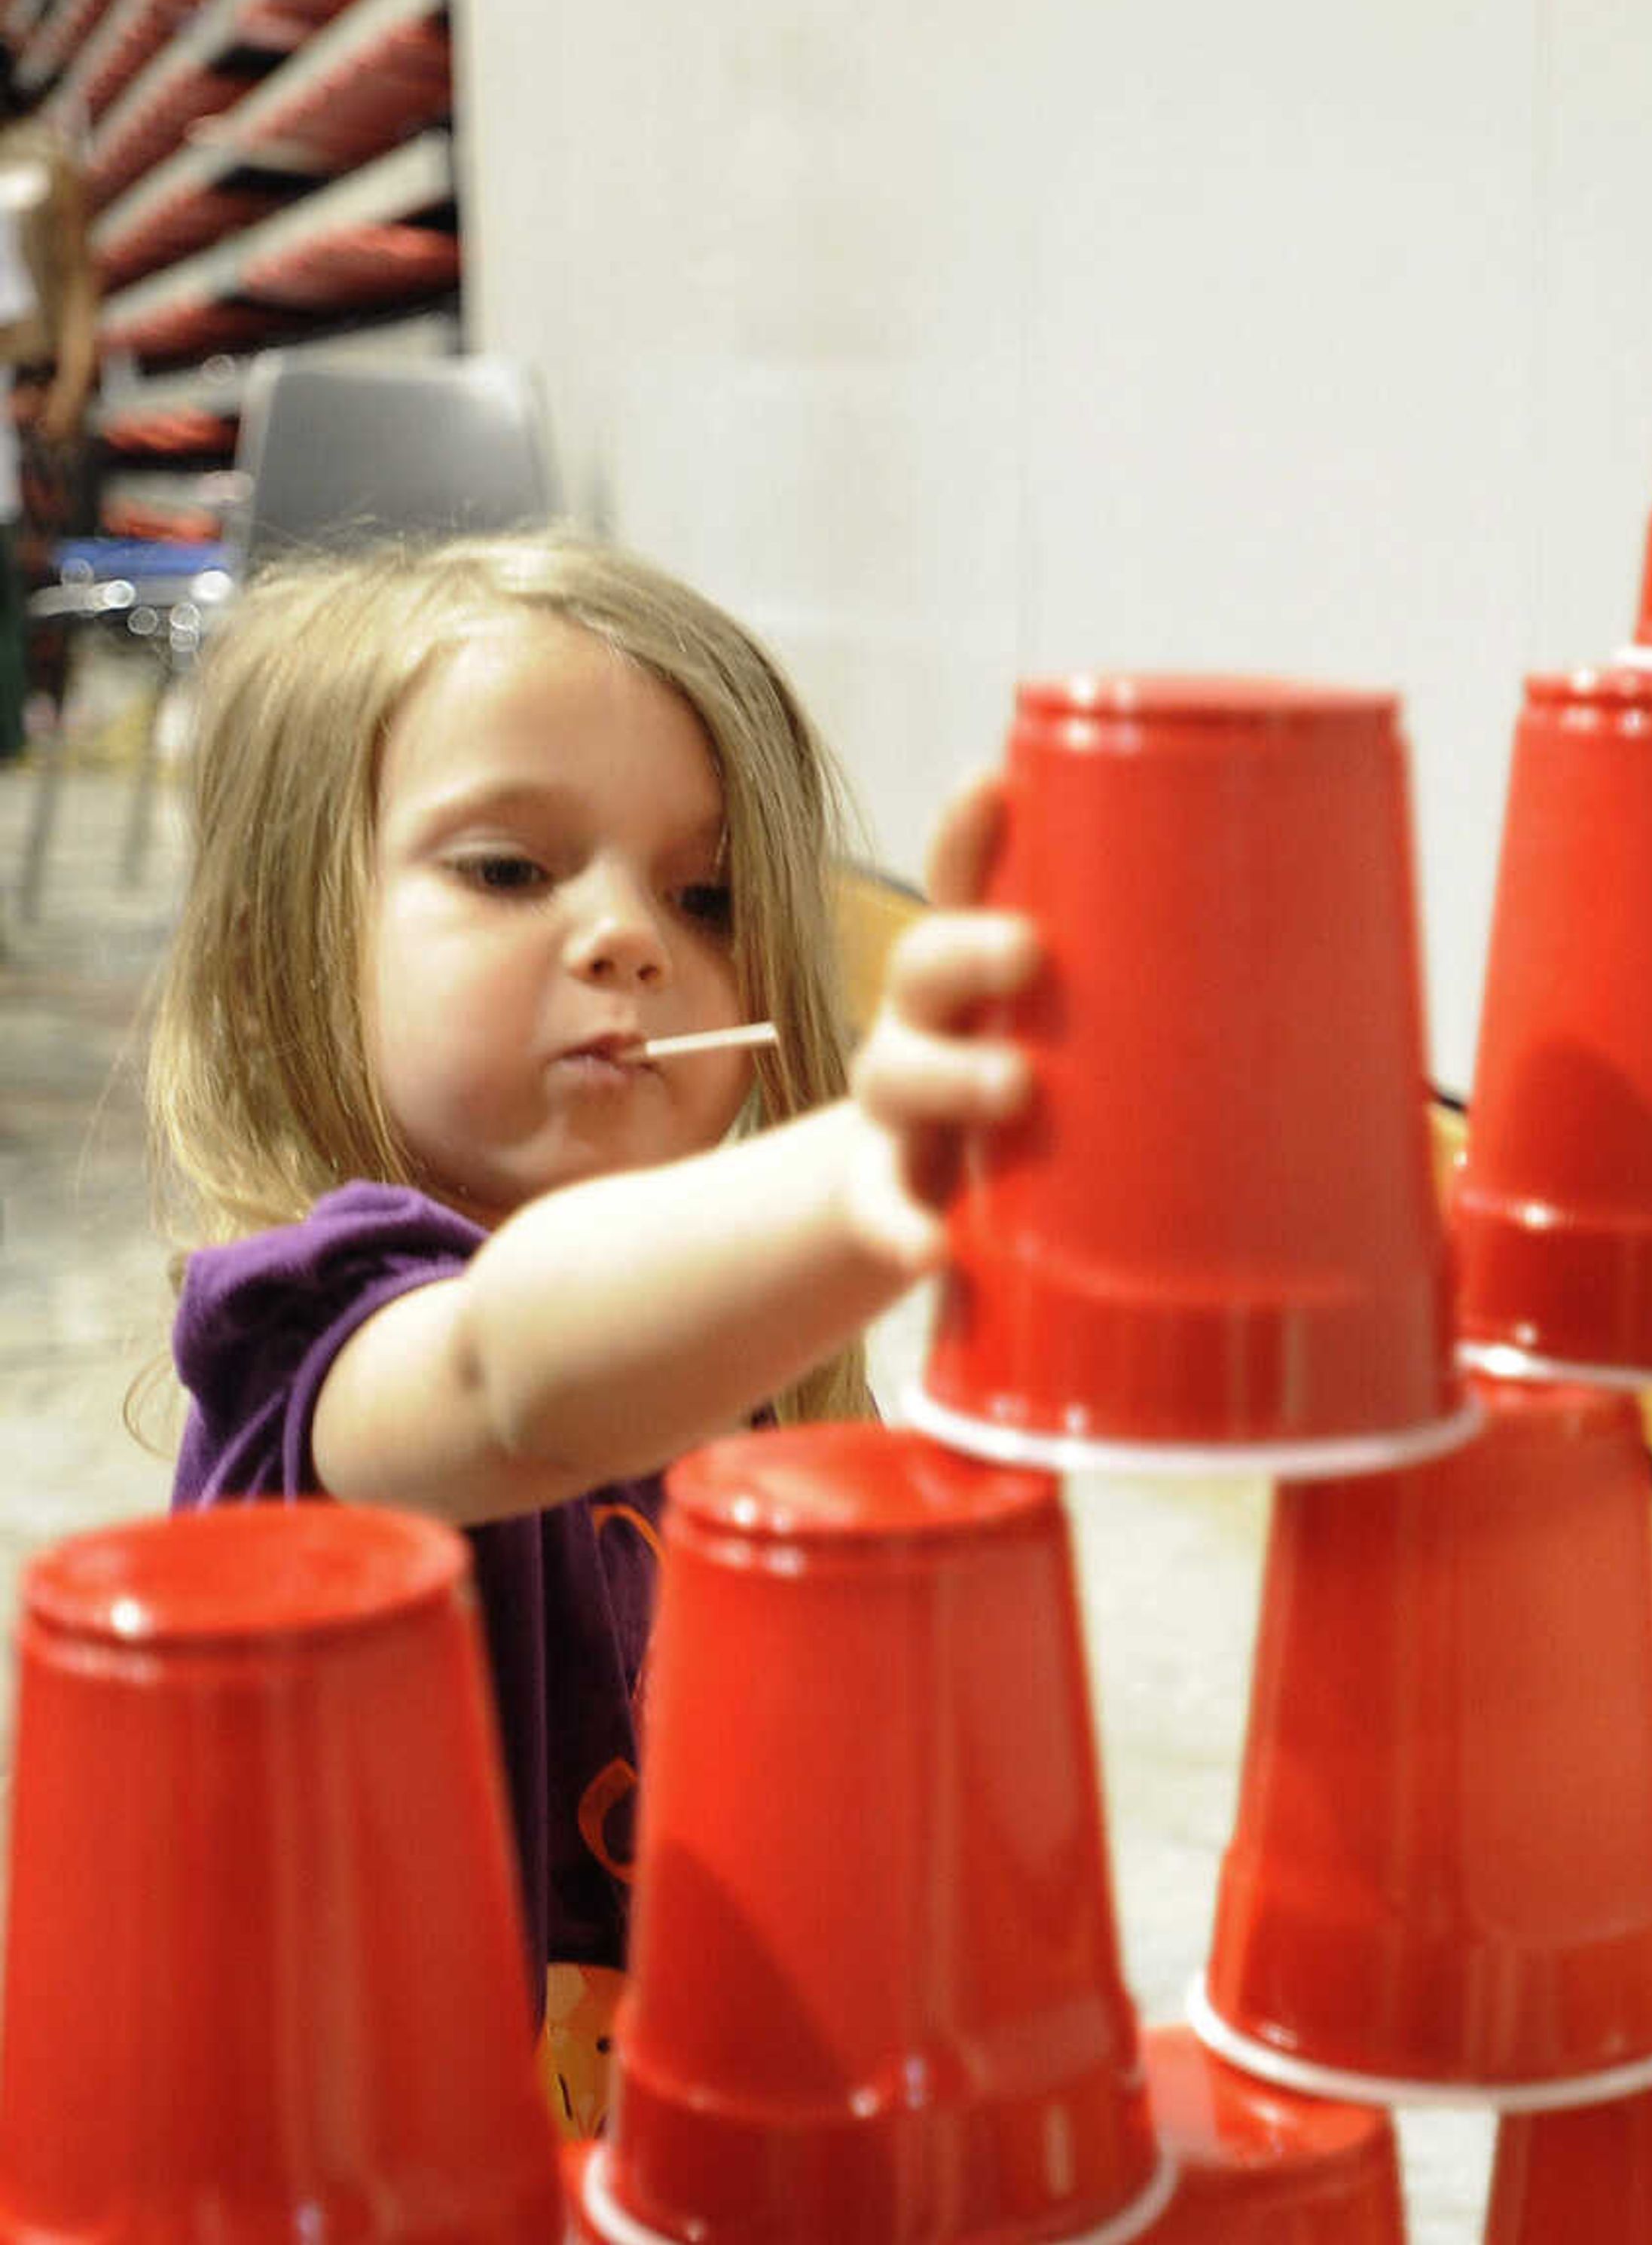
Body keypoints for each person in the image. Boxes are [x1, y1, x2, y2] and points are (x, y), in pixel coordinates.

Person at [143, 532, 1035, 2134]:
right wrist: (877, 1169)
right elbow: (514, 1375)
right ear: (295, 951)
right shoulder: (316, 1333)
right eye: (508, 868)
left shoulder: (719, 1366)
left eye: (705, 895)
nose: (628, 937)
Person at [0, 38, 96, 760]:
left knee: (38, 554)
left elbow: (75, 280)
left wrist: (71, 381)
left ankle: (43, 705)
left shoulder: (43, 162)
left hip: (27, 383)